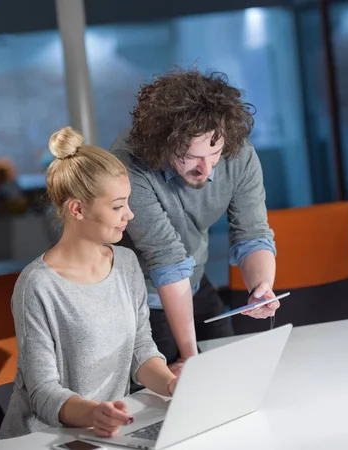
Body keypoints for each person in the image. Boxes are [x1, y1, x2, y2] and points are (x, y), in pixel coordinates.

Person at [0, 126, 178, 439]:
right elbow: (42, 393)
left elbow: (141, 348)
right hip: (46, 438)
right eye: (118, 206)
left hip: (106, 432)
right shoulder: (37, 285)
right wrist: (93, 413)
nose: (130, 215)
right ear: (78, 209)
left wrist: (171, 383)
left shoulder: (126, 263)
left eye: (128, 203)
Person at [110, 69, 279, 375]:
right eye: (191, 156)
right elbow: (167, 260)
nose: (206, 169)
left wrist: (261, 287)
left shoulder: (238, 155)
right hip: (139, 298)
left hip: (194, 281)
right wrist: (190, 355)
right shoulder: (129, 163)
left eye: (214, 154)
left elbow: (251, 235)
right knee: (171, 392)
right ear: (163, 144)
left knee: (227, 373)